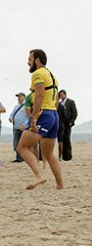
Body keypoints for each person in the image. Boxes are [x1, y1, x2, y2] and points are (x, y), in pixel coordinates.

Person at [17, 49, 63, 190]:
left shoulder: (38, 74)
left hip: (44, 114)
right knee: (48, 154)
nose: (28, 62)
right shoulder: (53, 75)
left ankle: (39, 175)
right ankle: (60, 185)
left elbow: (39, 95)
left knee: (22, 147)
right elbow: (55, 99)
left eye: (30, 59)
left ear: (37, 60)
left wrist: (34, 118)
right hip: (54, 114)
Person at [8, 93, 28, 163]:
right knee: (16, 143)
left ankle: (24, 157)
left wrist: (24, 125)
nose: (18, 98)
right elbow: (12, 114)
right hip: (16, 127)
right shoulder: (16, 107)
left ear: (24, 97)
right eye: (18, 97)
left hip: (23, 128)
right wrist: (10, 118)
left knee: (23, 144)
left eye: (20, 96)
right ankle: (18, 157)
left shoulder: (27, 106)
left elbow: (29, 117)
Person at [58, 89, 77, 161]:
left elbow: (74, 113)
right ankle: (63, 156)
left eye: (62, 95)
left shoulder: (70, 102)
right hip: (61, 123)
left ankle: (68, 156)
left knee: (67, 139)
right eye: (60, 95)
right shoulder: (59, 103)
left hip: (68, 123)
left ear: (65, 94)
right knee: (62, 140)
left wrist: (71, 121)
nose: (61, 96)